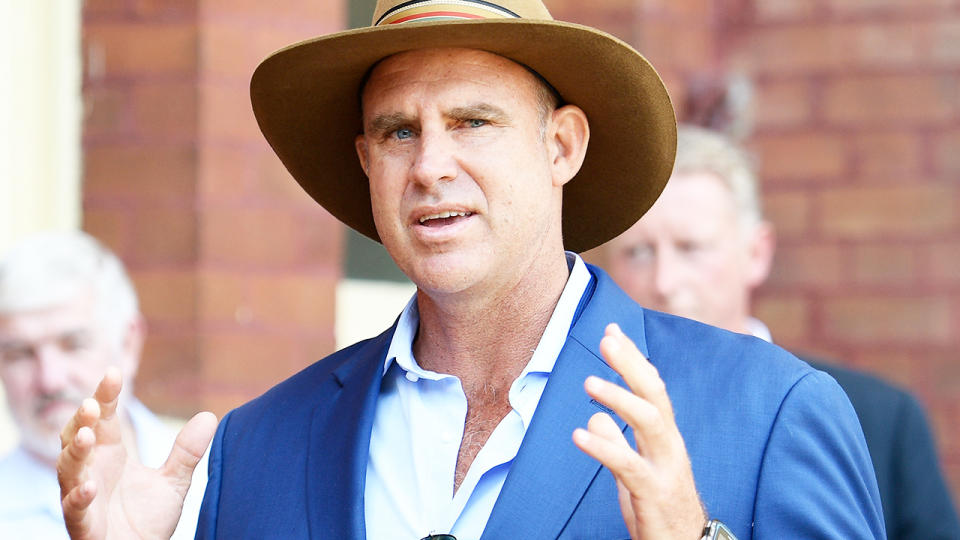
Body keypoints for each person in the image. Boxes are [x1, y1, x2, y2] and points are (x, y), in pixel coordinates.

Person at [57, 1, 885, 538]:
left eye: (472, 120)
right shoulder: (259, 445)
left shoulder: (767, 413)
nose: (430, 167)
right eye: (398, 132)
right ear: (366, 162)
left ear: (560, 146)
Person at [601, 124, 960, 539]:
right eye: (639, 252)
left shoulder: (881, 418)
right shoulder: (583, 416)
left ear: (756, 253)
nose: (664, 280)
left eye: (691, 248)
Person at [0, 230, 205, 539]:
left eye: (73, 344)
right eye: (19, 354)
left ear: (128, 343)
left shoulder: (212, 480)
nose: (49, 379)